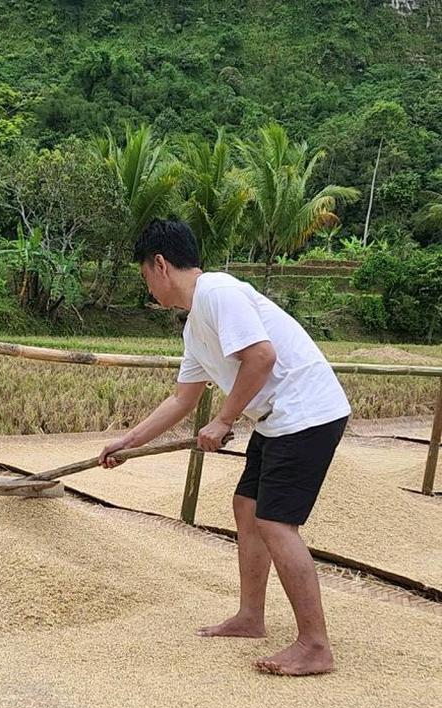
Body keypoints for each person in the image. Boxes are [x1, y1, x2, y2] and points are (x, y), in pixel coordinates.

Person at [98, 219, 351, 676]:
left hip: (307, 411)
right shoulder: (196, 327)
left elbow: (261, 357)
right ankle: (251, 616)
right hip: (278, 419)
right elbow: (181, 398)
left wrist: (223, 420)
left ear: (160, 265)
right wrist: (127, 442)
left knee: (276, 521)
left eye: (144, 275)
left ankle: (315, 645)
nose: (148, 288)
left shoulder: (219, 292)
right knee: (246, 506)